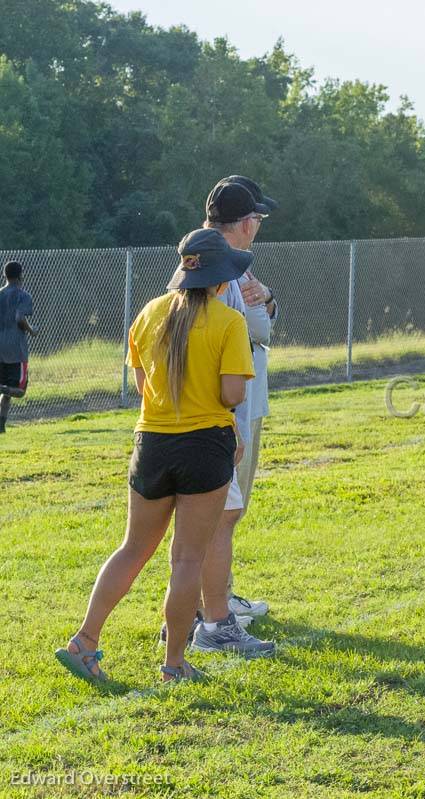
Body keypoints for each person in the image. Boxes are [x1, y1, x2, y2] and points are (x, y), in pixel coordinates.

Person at [54, 229, 255, 684]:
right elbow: (231, 393)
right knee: (187, 559)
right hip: (205, 446)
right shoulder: (229, 323)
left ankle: (84, 641)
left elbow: (145, 387)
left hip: (151, 444)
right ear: (222, 281)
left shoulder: (148, 314)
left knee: (132, 548)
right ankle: (174, 664)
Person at [202, 177, 279, 629]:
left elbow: (264, 321)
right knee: (219, 512)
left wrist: (267, 298)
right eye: (257, 218)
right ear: (246, 222)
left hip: (242, 402)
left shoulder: (232, 262)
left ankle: (220, 595)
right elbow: (256, 333)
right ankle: (212, 608)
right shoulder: (219, 265)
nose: (258, 226)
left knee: (227, 510)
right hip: (229, 407)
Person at [0, 260, 37, 434]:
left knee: (7, 392)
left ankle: (1, 425)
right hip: (15, 350)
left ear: (4, 275)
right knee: (19, 390)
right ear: (21, 275)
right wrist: (32, 331)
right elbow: (19, 317)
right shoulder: (24, 296)